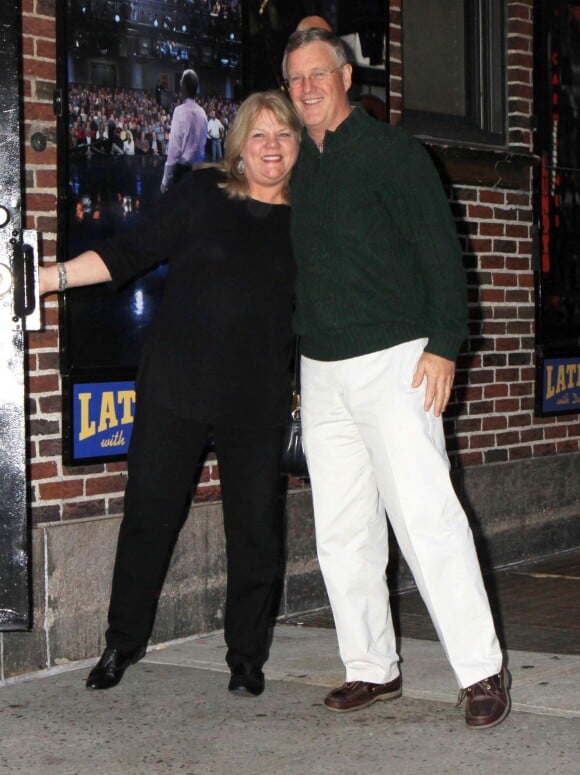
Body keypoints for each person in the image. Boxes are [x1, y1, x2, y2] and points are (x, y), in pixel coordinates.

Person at [282, 25, 511, 730]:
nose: (308, 88)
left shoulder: (393, 153)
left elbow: (443, 254)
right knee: (343, 529)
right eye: (296, 80)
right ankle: (370, 666)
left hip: (398, 360)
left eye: (319, 74)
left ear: (347, 76)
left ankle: (481, 670)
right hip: (322, 370)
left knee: (426, 516)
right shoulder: (300, 167)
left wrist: (445, 344)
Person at [39, 90, 301, 698]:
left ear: (297, 146)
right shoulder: (202, 195)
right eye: (258, 135)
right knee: (149, 518)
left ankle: (246, 657)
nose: (270, 147)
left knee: (256, 530)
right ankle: (121, 644)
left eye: (282, 135)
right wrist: (46, 280)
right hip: (175, 387)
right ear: (237, 144)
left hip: (256, 397)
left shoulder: (309, 219)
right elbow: (127, 252)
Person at [160, 69, 208, 192]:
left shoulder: (179, 112)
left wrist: (165, 180)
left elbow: (173, 150)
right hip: (198, 171)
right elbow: (203, 143)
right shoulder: (203, 113)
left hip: (181, 172)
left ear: (184, 88)